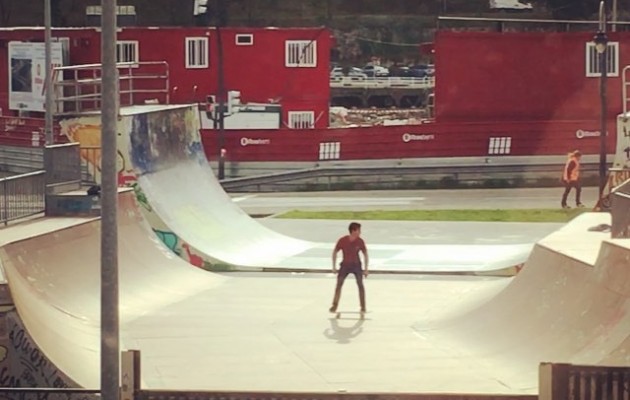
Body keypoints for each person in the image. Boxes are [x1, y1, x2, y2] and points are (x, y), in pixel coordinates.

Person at [329, 222, 369, 313]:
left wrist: (366, 269)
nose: (360, 232)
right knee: (339, 285)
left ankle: (363, 306)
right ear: (353, 231)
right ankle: (334, 305)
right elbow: (335, 252)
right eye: (359, 230)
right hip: (345, 265)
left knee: (360, 285)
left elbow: (365, 254)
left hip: (356, 265)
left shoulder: (360, 241)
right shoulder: (343, 240)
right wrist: (334, 267)